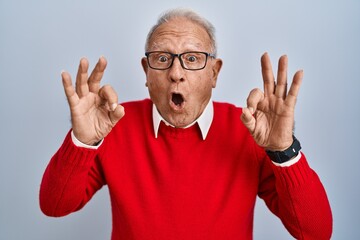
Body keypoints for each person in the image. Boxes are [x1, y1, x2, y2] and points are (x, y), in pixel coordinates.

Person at [39, 8, 332, 240]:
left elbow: (316, 231)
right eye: (162, 58)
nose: (176, 73)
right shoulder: (112, 125)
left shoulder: (250, 131)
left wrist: (284, 150)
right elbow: (55, 206)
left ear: (214, 73)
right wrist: (83, 142)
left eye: (192, 58)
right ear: (146, 71)